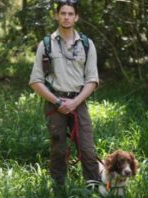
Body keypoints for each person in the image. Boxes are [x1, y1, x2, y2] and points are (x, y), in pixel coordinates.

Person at [29, 0, 100, 189]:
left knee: (87, 149)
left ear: (76, 17)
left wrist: (75, 102)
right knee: (58, 150)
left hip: (79, 102)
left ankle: (94, 188)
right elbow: (36, 81)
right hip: (55, 104)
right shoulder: (45, 45)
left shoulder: (87, 44)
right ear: (56, 16)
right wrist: (58, 102)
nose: (66, 17)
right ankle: (58, 189)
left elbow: (92, 80)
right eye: (63, 13)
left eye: (70, 14)